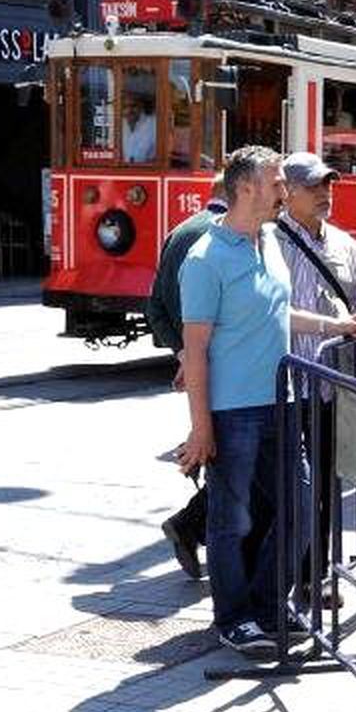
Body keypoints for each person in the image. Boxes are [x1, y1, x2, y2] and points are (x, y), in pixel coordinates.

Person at [177, 145, 356, 655]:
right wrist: (201, 428)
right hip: (233, 411)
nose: (284, 192)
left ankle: (267, 606)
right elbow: (193, 350)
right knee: (230, 519)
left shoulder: (268, 242)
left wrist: (337, 325)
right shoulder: (205, 258)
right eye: (277, 183)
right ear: (245, 189)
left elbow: (278, 315)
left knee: (301, 508)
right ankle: (234, 618)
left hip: (282, 403)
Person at [276, 152, 356, 600]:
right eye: (314, 186)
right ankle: (282, 578)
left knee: (324, 487)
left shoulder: (343, 244)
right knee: (287, 488)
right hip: (281, 388)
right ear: (288, 192)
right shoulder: (268, 242)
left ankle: (315, 575)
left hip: (331, 387)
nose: (324, 193)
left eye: (328, 185)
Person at [148, 177, 227, 579]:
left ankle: (192, 524)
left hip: (199, 363)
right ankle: (191, 524)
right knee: (237, 458)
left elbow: (155, 307)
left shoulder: (179, 232)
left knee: (223, 452)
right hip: (231, 368)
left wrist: (184, 354)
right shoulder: (230, 236)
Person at [122, 91, 157, 164]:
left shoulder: (153, 124)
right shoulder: (119, 124)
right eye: (125, 107)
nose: (129, 110)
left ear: (141, 106)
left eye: (133, 106)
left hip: (147, 170)